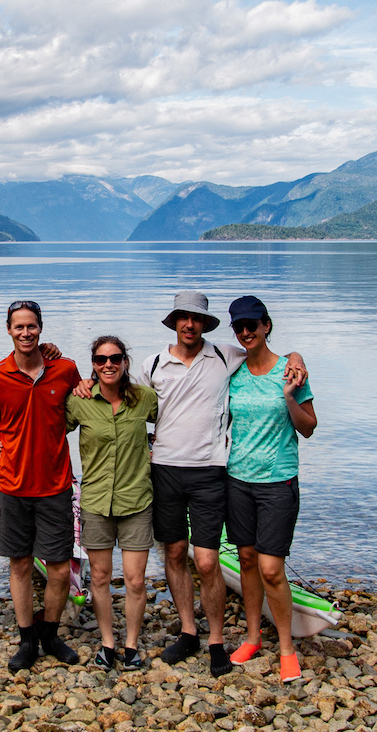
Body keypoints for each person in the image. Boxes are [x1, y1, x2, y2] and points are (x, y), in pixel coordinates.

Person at [132, 290, 305, 676]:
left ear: (205, 325)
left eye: (196, 319)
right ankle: (189, 632)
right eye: (182, 317)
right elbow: (124, 397)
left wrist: (297, 356)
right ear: (174, 321)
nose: (189, 325)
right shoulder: (153, 363)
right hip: (164, 469)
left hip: (211, 471)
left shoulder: (227, 355)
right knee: (175, 553)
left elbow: (269, 353)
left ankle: (215, 640)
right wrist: (81, 383)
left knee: (207, 560)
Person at [0, 300, 82, 670]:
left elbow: (81, 412)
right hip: (11, 488)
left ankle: (50, 633)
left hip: (55, 486)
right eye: (18, 327)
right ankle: (26, 639)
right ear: (8, 329)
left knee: (58, 568)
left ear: (41, 328)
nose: (25, 333)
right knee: (19, 565)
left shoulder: (65, 370)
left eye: (31, 326)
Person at [223, 296, 317, 683]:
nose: (246, 332)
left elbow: (308, 427)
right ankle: (252, 637)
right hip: (237, 479)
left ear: (266, 325)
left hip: (278, 481)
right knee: (246, 560)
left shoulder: (290, 372)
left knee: (271, 568)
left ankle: (287, 649)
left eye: (252, 325)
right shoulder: (232, 369)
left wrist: (290, 395)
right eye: (239, 327)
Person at [65, 336, 157, 671]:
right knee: (100, 577)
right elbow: (50, 430)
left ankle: (130, 644)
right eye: (101, 359)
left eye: (115, 358)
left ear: (125, 362)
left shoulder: (145, 399)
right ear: (93, 363)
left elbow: (179, 422)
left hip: (136, 502)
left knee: (135, 580)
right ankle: (107, 642)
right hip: (96, 502)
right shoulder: (80, 401)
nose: (109, 365)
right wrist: (3, 444)